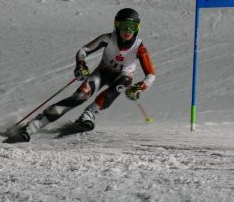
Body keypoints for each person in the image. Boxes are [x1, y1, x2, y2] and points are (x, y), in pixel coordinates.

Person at [18, 8, 156, 141]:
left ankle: (89, 115)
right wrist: (80, 64)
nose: (128, 31)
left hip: (123, 77)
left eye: (132, 26)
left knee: (119, 85)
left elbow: (151, 74)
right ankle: (37, 123)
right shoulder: (108, 39)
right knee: (80, 96)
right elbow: (83, 51)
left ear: (137, 27)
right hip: (103, 73)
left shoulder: (139, 48)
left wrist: (141, 86)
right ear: (117, 25)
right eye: (125, 26)